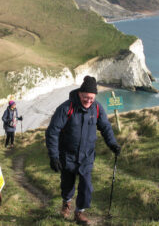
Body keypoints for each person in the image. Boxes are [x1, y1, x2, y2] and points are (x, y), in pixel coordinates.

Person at [45, 76, 121, 225]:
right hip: (67, 155)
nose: (88, 101)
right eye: (86, 97)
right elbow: (52, 132)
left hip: (87, 156)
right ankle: (66, 203)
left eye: (91, 98)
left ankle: (80, 212)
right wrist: (54, 156)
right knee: (67, 184)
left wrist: (112, 144)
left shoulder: (97, 108)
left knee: (86, 186)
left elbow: (105, 127)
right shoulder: (66, 108)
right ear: (80, 93)